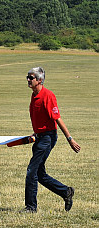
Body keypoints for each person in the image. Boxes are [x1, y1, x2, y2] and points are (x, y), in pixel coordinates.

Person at [23, 67, 80, 212]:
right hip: (40, 137)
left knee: (31, 171)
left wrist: (70, 139)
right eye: (28, 77)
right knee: (39, 174)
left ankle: (31, 207)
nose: (29, 80)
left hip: (47, 138)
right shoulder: (34, 95)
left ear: (40, 80)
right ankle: (65, 191)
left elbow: (57, 119)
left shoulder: (48, 95)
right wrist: (36, 133)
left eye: (31, 78)